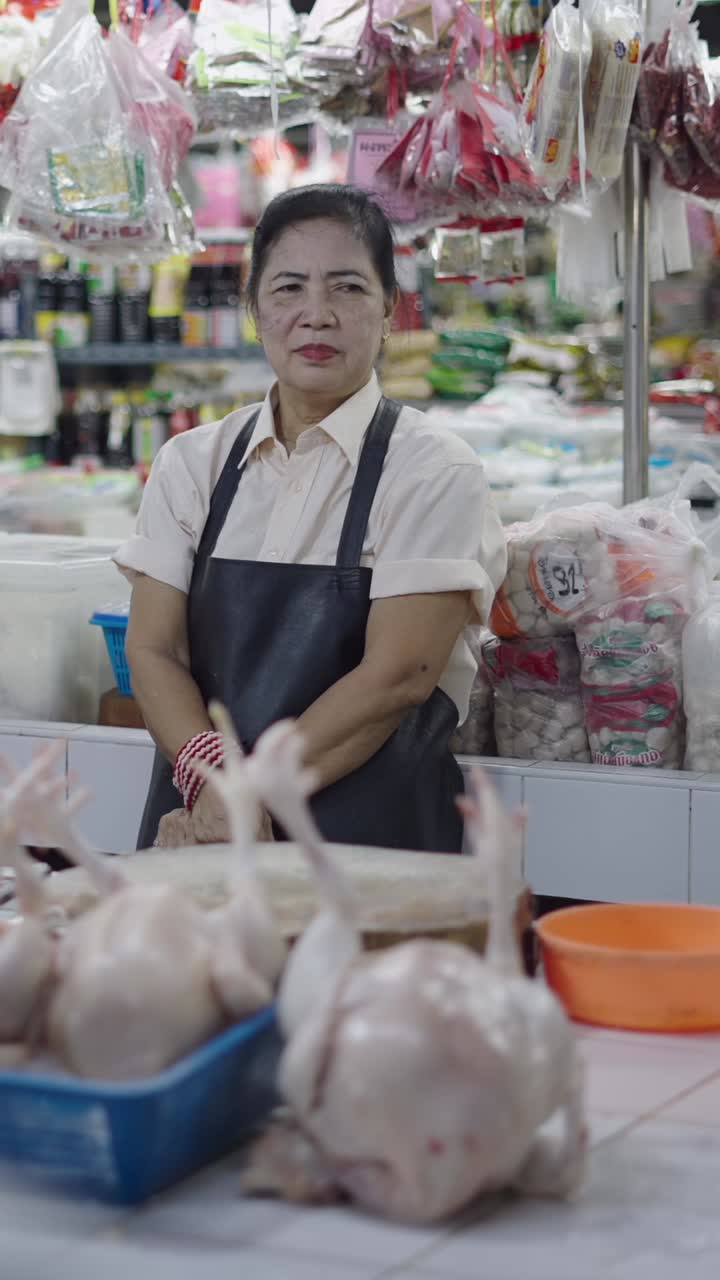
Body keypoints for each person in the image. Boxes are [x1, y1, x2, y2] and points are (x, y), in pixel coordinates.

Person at [114, 184, 506, 852]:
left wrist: (241, 798)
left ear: (389, 310)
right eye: (288, 288)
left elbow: (399, 674)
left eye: (348, 288)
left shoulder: (434, 469)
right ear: (254, 310)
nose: (316, 315)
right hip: (204, 833)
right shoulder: (193, 463)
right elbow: (154, 649)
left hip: (366, 848)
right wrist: (213, 779)